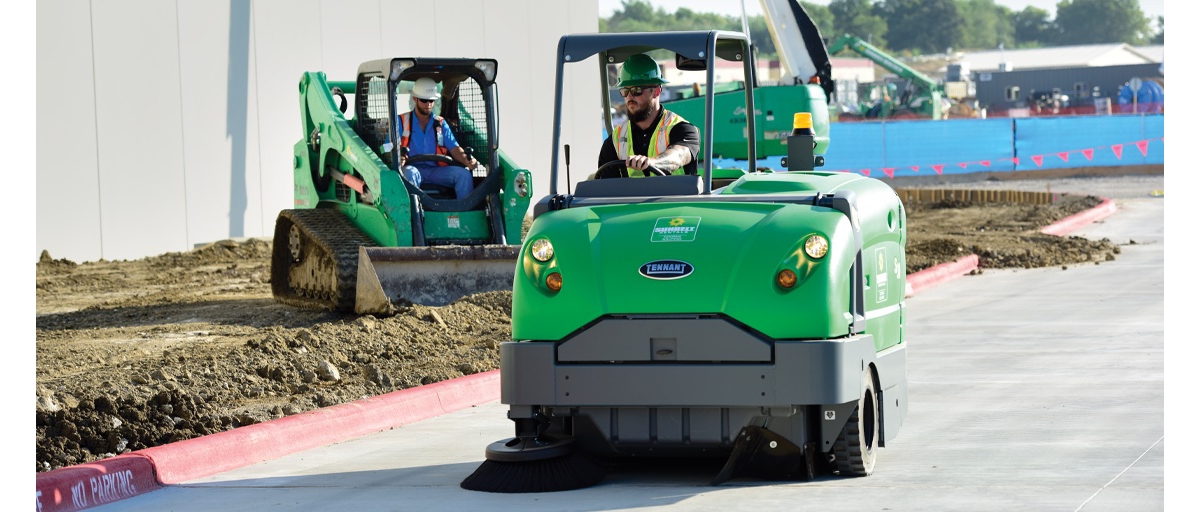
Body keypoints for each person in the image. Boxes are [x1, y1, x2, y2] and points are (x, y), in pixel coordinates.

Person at [597, 54, 700, 178]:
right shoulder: (615, 140)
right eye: (625, 91)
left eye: (636, 90)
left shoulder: (683, 130)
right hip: (630, 198)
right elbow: (606, 187)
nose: (629, 97)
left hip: (676, 197)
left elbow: (679, 156)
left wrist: (651, 162)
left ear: (656, 91)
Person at [398, 77, 477, 199]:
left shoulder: (440, 123)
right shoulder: (401, 121)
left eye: (431, 100)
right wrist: (399, 158)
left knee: (464, 175)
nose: (428, 105)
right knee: (410, 173)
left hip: (436, 170)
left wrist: (467, 160)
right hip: (412, 168)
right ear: (415, 98)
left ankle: (465, 215)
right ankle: (414, 215)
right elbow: (389, 149)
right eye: (424, 100)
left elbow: (455, 148)